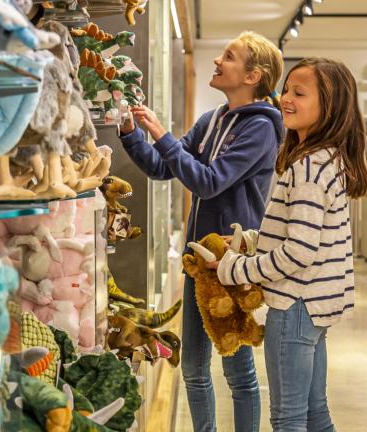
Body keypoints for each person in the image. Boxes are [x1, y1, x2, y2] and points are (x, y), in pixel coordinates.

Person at [118, 31, 284, 432]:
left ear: (252, 75)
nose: (218, 61)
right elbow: (163, 168)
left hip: (232, 264)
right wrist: (129, 131)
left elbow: (209, 182)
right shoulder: (212, 120)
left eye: (228, 56)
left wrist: (162, 135)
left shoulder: (261, 129)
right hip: (198, 262)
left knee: (237, 368)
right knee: (192, 366)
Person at [215, 58, 367, 431]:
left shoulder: (308, 168)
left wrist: (232, 268)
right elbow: (304, 235)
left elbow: (299, 252)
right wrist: (251, 242)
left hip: (295, 304)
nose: (286, 98)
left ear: (329, 107)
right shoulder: (325, 160)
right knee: (315, 413)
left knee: (287, 418)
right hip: (316, 305)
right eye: (286, 89)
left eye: (299, 93)